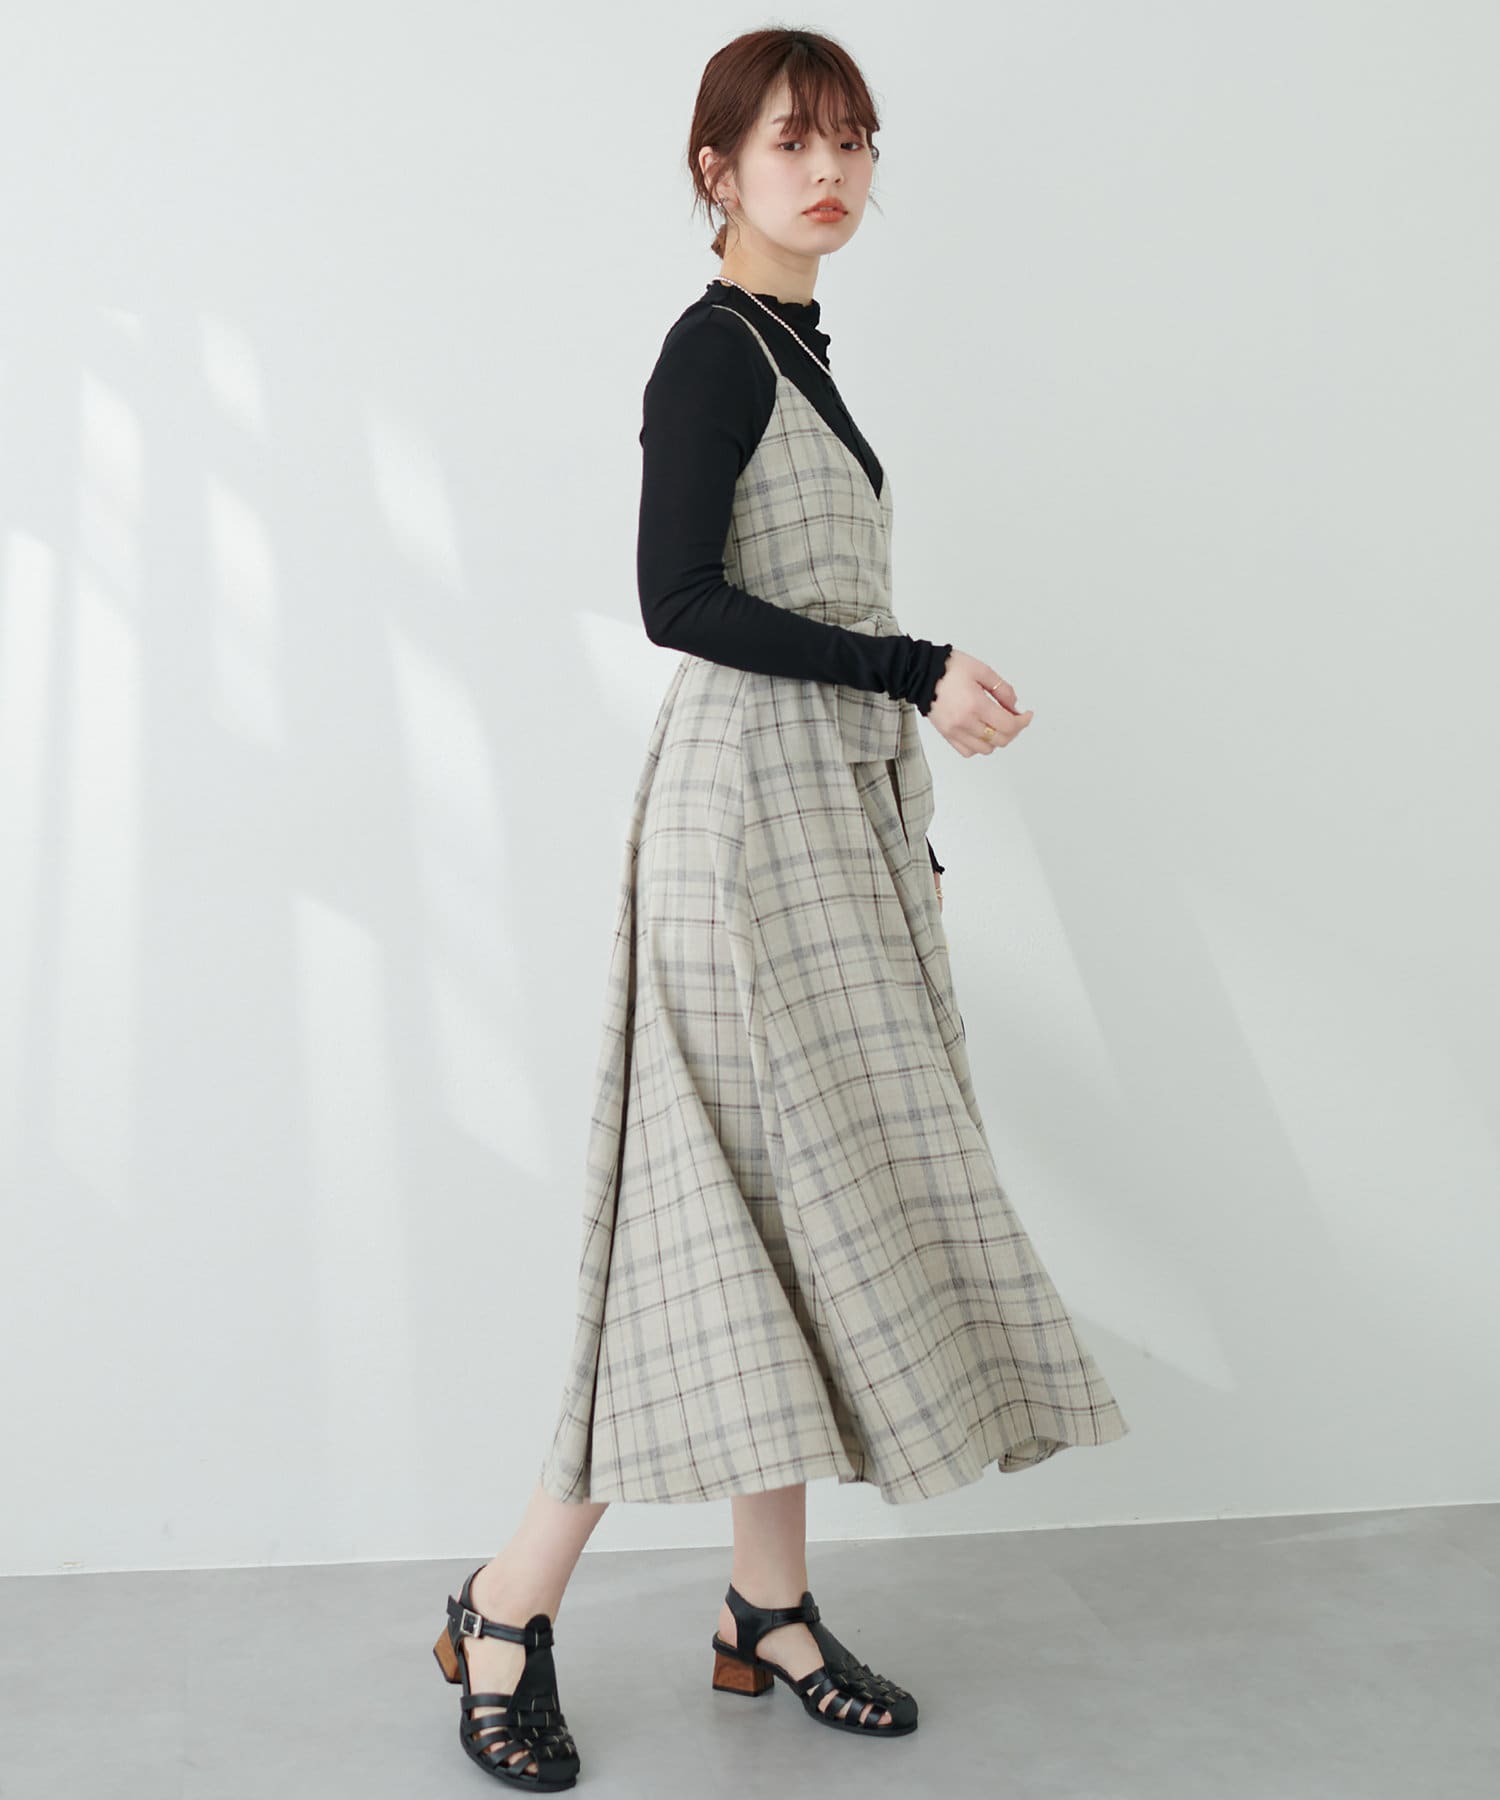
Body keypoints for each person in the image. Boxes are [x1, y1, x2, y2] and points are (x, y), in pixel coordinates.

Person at [431, 27, 1130, 1789]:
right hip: (740, 837)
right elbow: (675, 600)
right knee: (706, 1217)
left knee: (797, 1213)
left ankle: (768, 1606)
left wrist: (894, 811)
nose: (829, 170)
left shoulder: (792, 347)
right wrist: (914, 669)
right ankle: (508, 1605)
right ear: (715, 172)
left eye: (852, 141)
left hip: (816, 827)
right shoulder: (713, 351)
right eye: (791, 141)